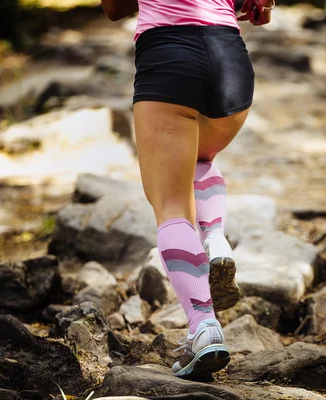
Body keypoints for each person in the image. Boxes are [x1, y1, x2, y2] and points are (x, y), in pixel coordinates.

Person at [100, 0, 274, 381]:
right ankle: (214, 239)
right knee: (197, 156)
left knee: (171, 206)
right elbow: (258, 6)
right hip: (229, 56)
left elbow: (114, 7)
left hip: (169, 56)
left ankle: (203, 327)